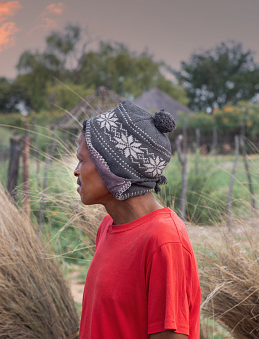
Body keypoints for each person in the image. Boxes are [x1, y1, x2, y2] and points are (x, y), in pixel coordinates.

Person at [74, 101, 200, 339]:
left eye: (82, 160)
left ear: (112, 167)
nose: (76, 171)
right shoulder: (108, 228)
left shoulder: (164, 240)